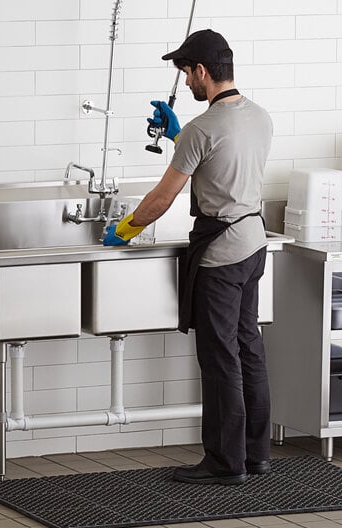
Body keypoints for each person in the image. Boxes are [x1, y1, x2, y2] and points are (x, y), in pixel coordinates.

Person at [103, 29, 273, 485]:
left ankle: (224, 463)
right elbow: (222, 159)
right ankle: (255, 456)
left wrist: (124, 230)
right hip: (254, 244)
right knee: (248, 349)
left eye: (185, 71)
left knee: (220, 359)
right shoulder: (258, 116)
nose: (185, 80)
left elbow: (161, 199)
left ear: (201, 72)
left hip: (220, 256)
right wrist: (181, 136)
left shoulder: (203, 129)